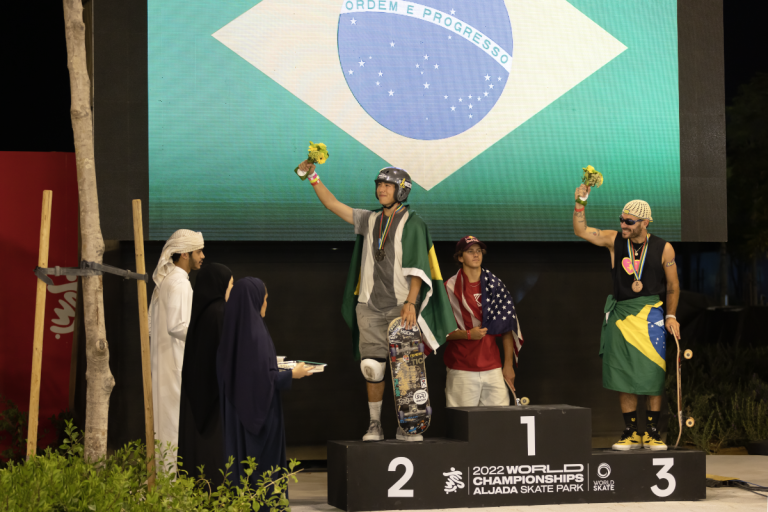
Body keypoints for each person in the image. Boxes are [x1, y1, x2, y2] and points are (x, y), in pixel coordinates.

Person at [297, 160, 455, 442]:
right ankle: (374, 425)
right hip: (368, 306)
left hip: (401, 306)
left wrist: (411, 302)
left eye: (387, 185)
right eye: (379, 185)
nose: (381, 189)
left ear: (402, 191)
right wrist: (313, 177)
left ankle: (407, 426)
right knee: (371, 367)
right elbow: (333, 204)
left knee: (405, 369)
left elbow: (419, 265)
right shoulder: (369, 219)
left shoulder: (413, 222)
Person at [572, 184, 680, 451]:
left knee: (653, 376)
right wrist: (580, 202)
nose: (623, 224)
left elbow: (673, 286)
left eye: (629, 221)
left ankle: (653, 433)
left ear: (644, 222)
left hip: (650, 316)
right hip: (621, 316)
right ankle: (631, 433)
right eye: (621, 220)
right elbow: (581, 231)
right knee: (624, 377)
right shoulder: (614, 240)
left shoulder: (664, 248)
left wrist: (671, 315)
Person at [217, 278, 312, 489]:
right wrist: (292, 375)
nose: (267, 303)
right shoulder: (254, 334)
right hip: (260, 416)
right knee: (264, 473)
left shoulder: (234, 331)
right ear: (255, 299)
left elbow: (245, 374)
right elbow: (259, 379)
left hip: (238, 415)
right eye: (265, 299)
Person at [443, 236, 524, 407]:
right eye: (470, 251)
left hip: (492, 368)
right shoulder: (448, 288)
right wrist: (467, 334)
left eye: (478, 251)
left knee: (498, 425)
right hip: (461, 368)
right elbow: (439, 333)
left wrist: (508, 366)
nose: (475, 255)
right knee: (463, 426)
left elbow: (507, 328)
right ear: (460, 257)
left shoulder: (495, 286)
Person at [149, 229, 205, 472]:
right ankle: (170, 491)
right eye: (198, 251)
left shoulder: (168, 280)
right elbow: (178, 326)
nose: (202, 256)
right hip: (175, 362)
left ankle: (164, 486)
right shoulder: (180, 282)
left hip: (165, 360)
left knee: (165, 425)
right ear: (184, 254)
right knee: (172, 425)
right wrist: (205, 337)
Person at [178, 263, 234, 486]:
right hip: (215, 399)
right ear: (220, 285)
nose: (232, 289)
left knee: (195, 451)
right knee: (214, 457)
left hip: (196, 394)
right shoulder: (221, 312)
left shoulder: (201, 311)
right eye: (231, 284)